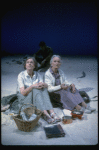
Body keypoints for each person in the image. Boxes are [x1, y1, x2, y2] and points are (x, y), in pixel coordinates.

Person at [17, 57, 60, 124]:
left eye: (31, 62)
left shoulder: (37, 74)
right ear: (25, 65)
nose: (30, 64)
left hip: (36, 98)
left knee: (43, 89)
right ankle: (45, 114)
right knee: (35, 89)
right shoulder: (21, 75)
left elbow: (46, 86)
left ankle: (52, 113)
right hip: (25, 99)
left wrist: (43, 85)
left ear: (34, 66)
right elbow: (22, 93)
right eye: (28, 62)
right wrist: (32, 86)